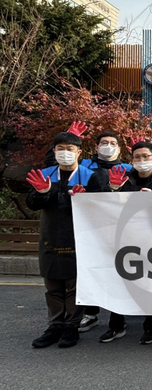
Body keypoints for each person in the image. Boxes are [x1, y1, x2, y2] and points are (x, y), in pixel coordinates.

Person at [26, 131, 102, 348]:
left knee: (74, 286)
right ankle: (54, 326)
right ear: (54, 151)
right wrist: (43, 192)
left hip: (79, 239)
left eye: (70, 149)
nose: (65, 153)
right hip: (50, 238)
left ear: (79, 152)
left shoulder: (90, 176)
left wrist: (84, 200)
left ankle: (71, 326)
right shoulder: (45, 174)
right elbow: (32, 202)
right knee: (52, 286)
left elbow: (100, 208)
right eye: (60, 149)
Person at [97, 141, 152, 345]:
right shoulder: (121, 181)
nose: (141, 161)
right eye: (137, 157)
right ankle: (116, 326)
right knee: (121, 282)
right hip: (126, 240)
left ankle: (150, 327)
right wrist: (112, 190)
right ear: (131, 161)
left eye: (145, 156)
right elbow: (105, 209)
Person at [77, 131, 134, 332]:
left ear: (119, 149)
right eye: (104, 143)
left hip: (118, 228)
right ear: (96, 147)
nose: (108, 146)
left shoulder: (128, 168)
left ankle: (118, 318)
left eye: (112, 143)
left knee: (118, 271)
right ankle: (90, 313)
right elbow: (55, 165)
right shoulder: (84, 166)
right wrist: (71, 137)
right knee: (91, 269)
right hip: (91, 227)